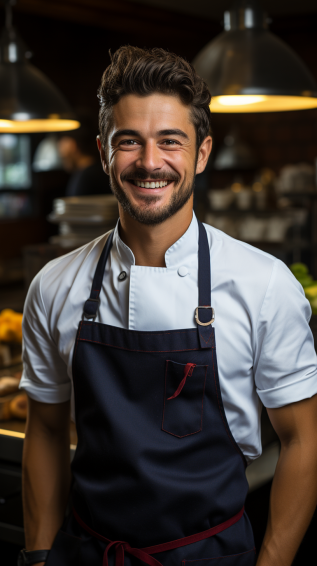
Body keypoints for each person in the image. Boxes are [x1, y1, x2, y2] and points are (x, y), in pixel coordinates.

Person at [19, 46, 317, 566]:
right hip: (88, 554)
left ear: (202, 153)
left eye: (170, 142)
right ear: (104, 153)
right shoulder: (53, 286)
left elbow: (303, 441)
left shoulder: (264, 285)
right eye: (128, 141)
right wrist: (41, 557)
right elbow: (44, 429)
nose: (149, 162)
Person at [57, 114, 112, 197]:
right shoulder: (103, 172)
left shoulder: (84, 179)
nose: (60, 150)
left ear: (72, 145)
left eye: (61, 142)